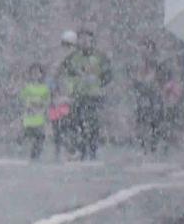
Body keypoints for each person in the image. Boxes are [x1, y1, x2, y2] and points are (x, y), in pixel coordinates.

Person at [54, 28, 114, 160]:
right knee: (76, 122)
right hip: (78, 95)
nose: (85, 42)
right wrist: (65, 90)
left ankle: (92, 150)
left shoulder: (99, 56)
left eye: (88, 39)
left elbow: (108, 75)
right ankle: (80, 149)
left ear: (92, 41)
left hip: (94, 96)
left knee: (92, 123)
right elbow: (61, 71)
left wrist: (99, 81)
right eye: (82, 39)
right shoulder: (73, 57)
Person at [131, 45, 175, 152]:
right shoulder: (139, 64)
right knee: (143, 121)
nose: (147, 51)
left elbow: (166, 78)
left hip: (155, 97)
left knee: (156, 122)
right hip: (143, 97)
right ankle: (143, 145)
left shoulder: (159, 64)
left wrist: (160, 84)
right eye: (145, 48)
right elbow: (135, 82)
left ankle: (154, 145)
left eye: (149, 49)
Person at [19, 63, 51, 161]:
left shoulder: (45, 88)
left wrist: (42, 108)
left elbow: (47, 102)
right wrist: (30, 105)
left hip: (39, 119)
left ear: (41, 74)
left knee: (40, 137)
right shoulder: (27, 87)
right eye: (33, 72)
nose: (35, 74)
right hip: (29, 118)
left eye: (37, 72)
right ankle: (23, 151)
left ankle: (35, 157)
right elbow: (23, 100)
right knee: (28, 135)